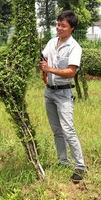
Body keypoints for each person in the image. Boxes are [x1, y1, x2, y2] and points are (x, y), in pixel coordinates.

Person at [39, 10, 85, 184]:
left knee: (68, 129)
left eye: (63, 26)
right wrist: (43, 64)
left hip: (64, 93)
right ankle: (62, 162)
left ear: (72, 28)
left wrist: (50, 69)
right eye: (58, 24)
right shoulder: (51, 42)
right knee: (56, 130)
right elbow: (44, 59)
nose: (59, 28)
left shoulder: (75, 47)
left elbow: (71, 72)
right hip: (49, 92)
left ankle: (79, 166)